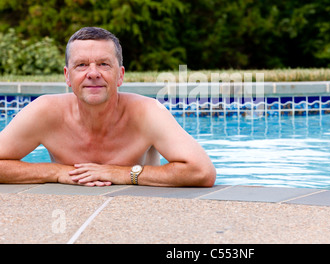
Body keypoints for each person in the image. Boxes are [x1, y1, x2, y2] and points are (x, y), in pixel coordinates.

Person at [0, 27, 216, 187]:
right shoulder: (45, 112)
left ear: (120, 75)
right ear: (68, 76)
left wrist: (123, 174)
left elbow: (202, 172)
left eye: (103, 64)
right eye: (81, 65)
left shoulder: (148, 113)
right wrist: (55, 172)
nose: (93, 73)